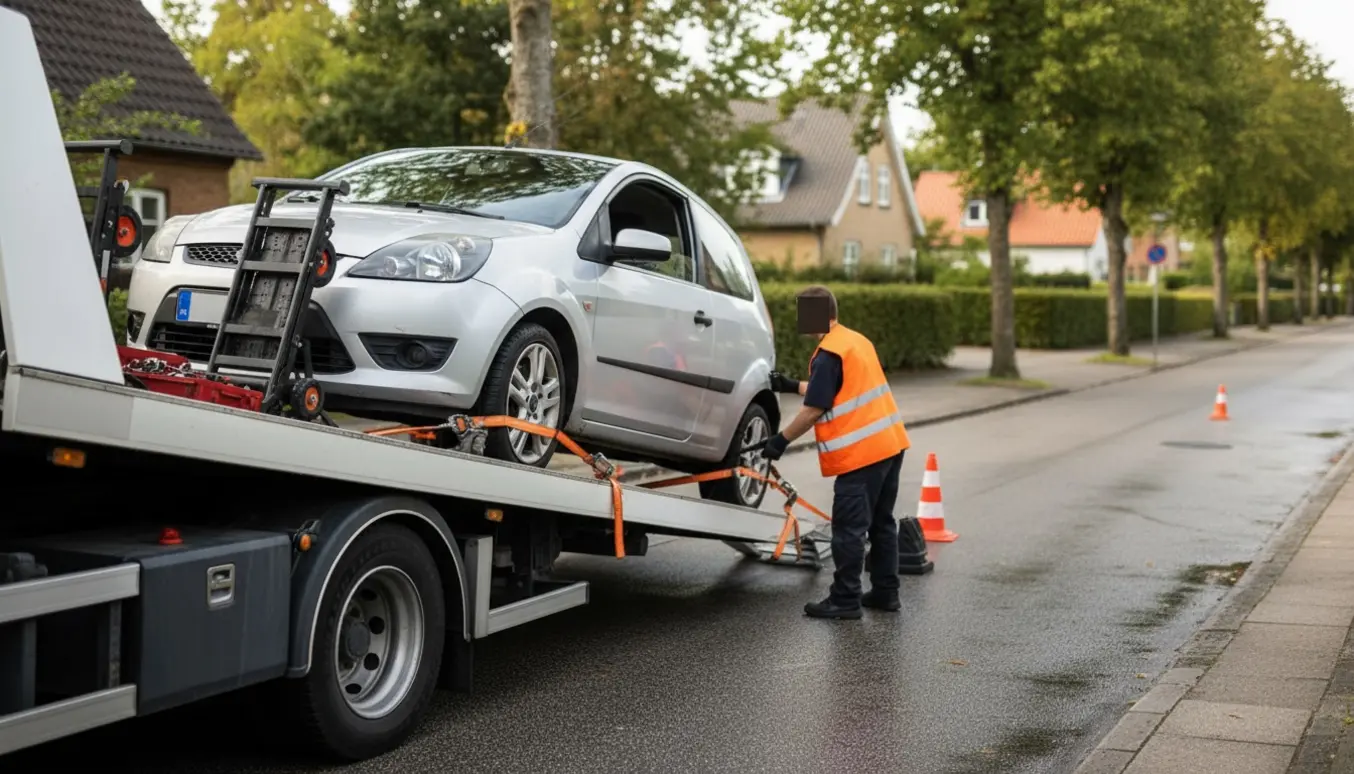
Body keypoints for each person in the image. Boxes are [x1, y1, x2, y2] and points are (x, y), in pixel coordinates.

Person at [762, 285, 911, 619]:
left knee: (849, 529)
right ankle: (887, 593)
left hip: (862, 455)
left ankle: (845, 600)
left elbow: (815, 408)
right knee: (882, 524)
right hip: (890, 444)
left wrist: (780, 441)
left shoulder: (829, 352)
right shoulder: (855, 341)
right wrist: (791, 385)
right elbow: (840, 392)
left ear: (813, 313)